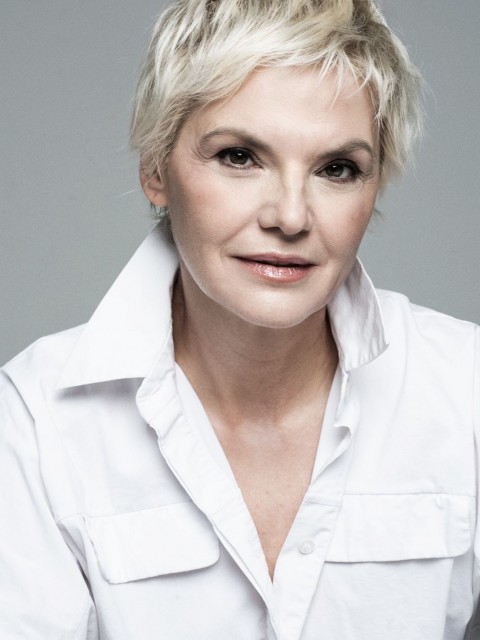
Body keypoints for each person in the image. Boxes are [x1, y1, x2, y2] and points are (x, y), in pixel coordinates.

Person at [0, 0, 478, 638]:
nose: (290, 216)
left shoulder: (467, 388)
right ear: (155, 169)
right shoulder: (35, 421)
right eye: (239, 156)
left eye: (337, 169)